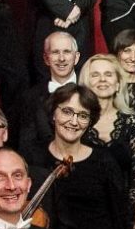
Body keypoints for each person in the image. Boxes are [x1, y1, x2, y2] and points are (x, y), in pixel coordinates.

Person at [39, 84, 129, 229]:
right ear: (53, 113)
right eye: (67, 111)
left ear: (90, 122)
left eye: (83, 115)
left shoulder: (104, 160)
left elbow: (120, 217)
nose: (73, 121)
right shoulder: (35, 158)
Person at [78, 52, 135, 197]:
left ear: (118, 84)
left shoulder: (129, 121)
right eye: (95, 75)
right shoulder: (77, 121)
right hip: (84, 205)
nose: (102, 79)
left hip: (124, 208)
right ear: (86, 83)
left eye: (108, 74)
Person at [17, 29, 85, 159]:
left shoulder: (90, 90)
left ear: (76, 57)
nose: (61, 58)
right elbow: (26, 145)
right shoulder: (31, 97)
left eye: (66, 52)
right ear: (46, 59)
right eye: (55, 52)